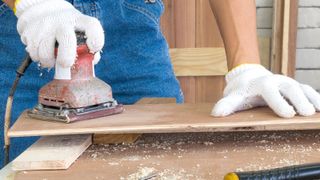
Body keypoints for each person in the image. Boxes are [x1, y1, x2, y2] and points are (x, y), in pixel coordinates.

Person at [1, 0, 319, 166]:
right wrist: (33, 4)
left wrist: (246, 67)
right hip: (30, 23)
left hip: (132, 21)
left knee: (167, 162)